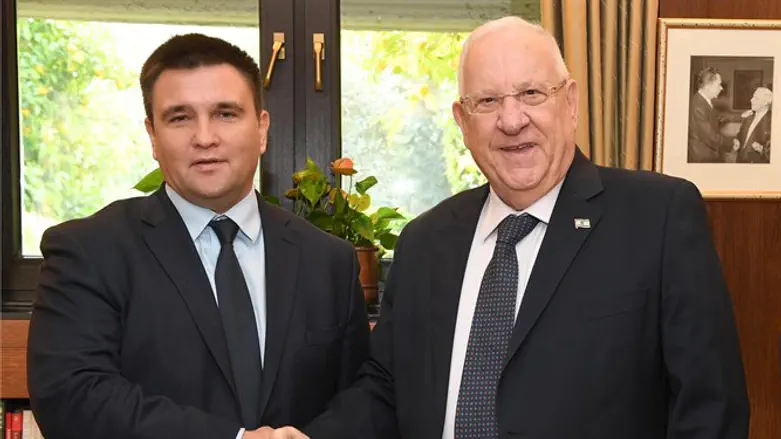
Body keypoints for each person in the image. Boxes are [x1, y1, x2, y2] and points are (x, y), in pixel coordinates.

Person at [271, 16, 750, 439]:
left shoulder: (658, 217)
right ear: (462, 121)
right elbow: (387, 390)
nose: (512, 120)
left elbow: (710, 408)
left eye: (531, 94)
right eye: (487, 101)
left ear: (572, 102)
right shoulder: (424, 242)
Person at [27, 34, 369, 439]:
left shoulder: (328, 260)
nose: (205, 137)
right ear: (152, 135)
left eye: (225, 114)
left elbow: (360, 398)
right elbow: (72, 397)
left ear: (261, 130)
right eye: (180, 117)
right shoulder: (90, 251)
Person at [688, 67, 740, 163]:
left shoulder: (703, 102)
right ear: (708, 86)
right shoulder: (698, 106)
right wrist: (731, 142)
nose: (721, 88)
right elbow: (711, 137)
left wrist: (740, 117)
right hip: (702, 158)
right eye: (719, 84)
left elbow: (717, 118)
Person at [735, 87, 772, 163]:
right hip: (740, 159)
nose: (751, 100)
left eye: (756, 98)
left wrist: (762, 150)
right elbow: (740, 134)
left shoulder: (773, 121)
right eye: (753, 97)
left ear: (765, 102)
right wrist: (737, 140)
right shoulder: (748, 115)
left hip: (755, 162)